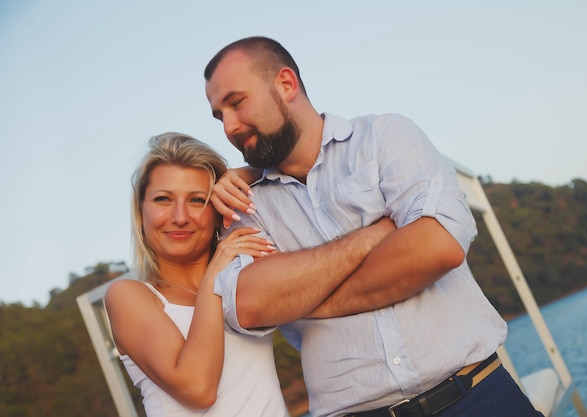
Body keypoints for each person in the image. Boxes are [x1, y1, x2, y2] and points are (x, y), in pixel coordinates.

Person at [204, 37, 544, 417]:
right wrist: (379, 232)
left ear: (286, 84)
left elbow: (439, 245)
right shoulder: (243, 204)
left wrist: (310, 299)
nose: (229, 127)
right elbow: (252, 305)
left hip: (480, 400)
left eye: (236, 103)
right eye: (219, 116)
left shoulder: (385, 137)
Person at [104, 132, 291, 417]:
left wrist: (237, 174)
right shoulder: (128, 296)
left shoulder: (243, 277)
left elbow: (292, 166)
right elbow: (198, 389)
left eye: (196, 200)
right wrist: (213, 274)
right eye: (163, 199)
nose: (179, 217)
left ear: (217, 209)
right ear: (141, 212)